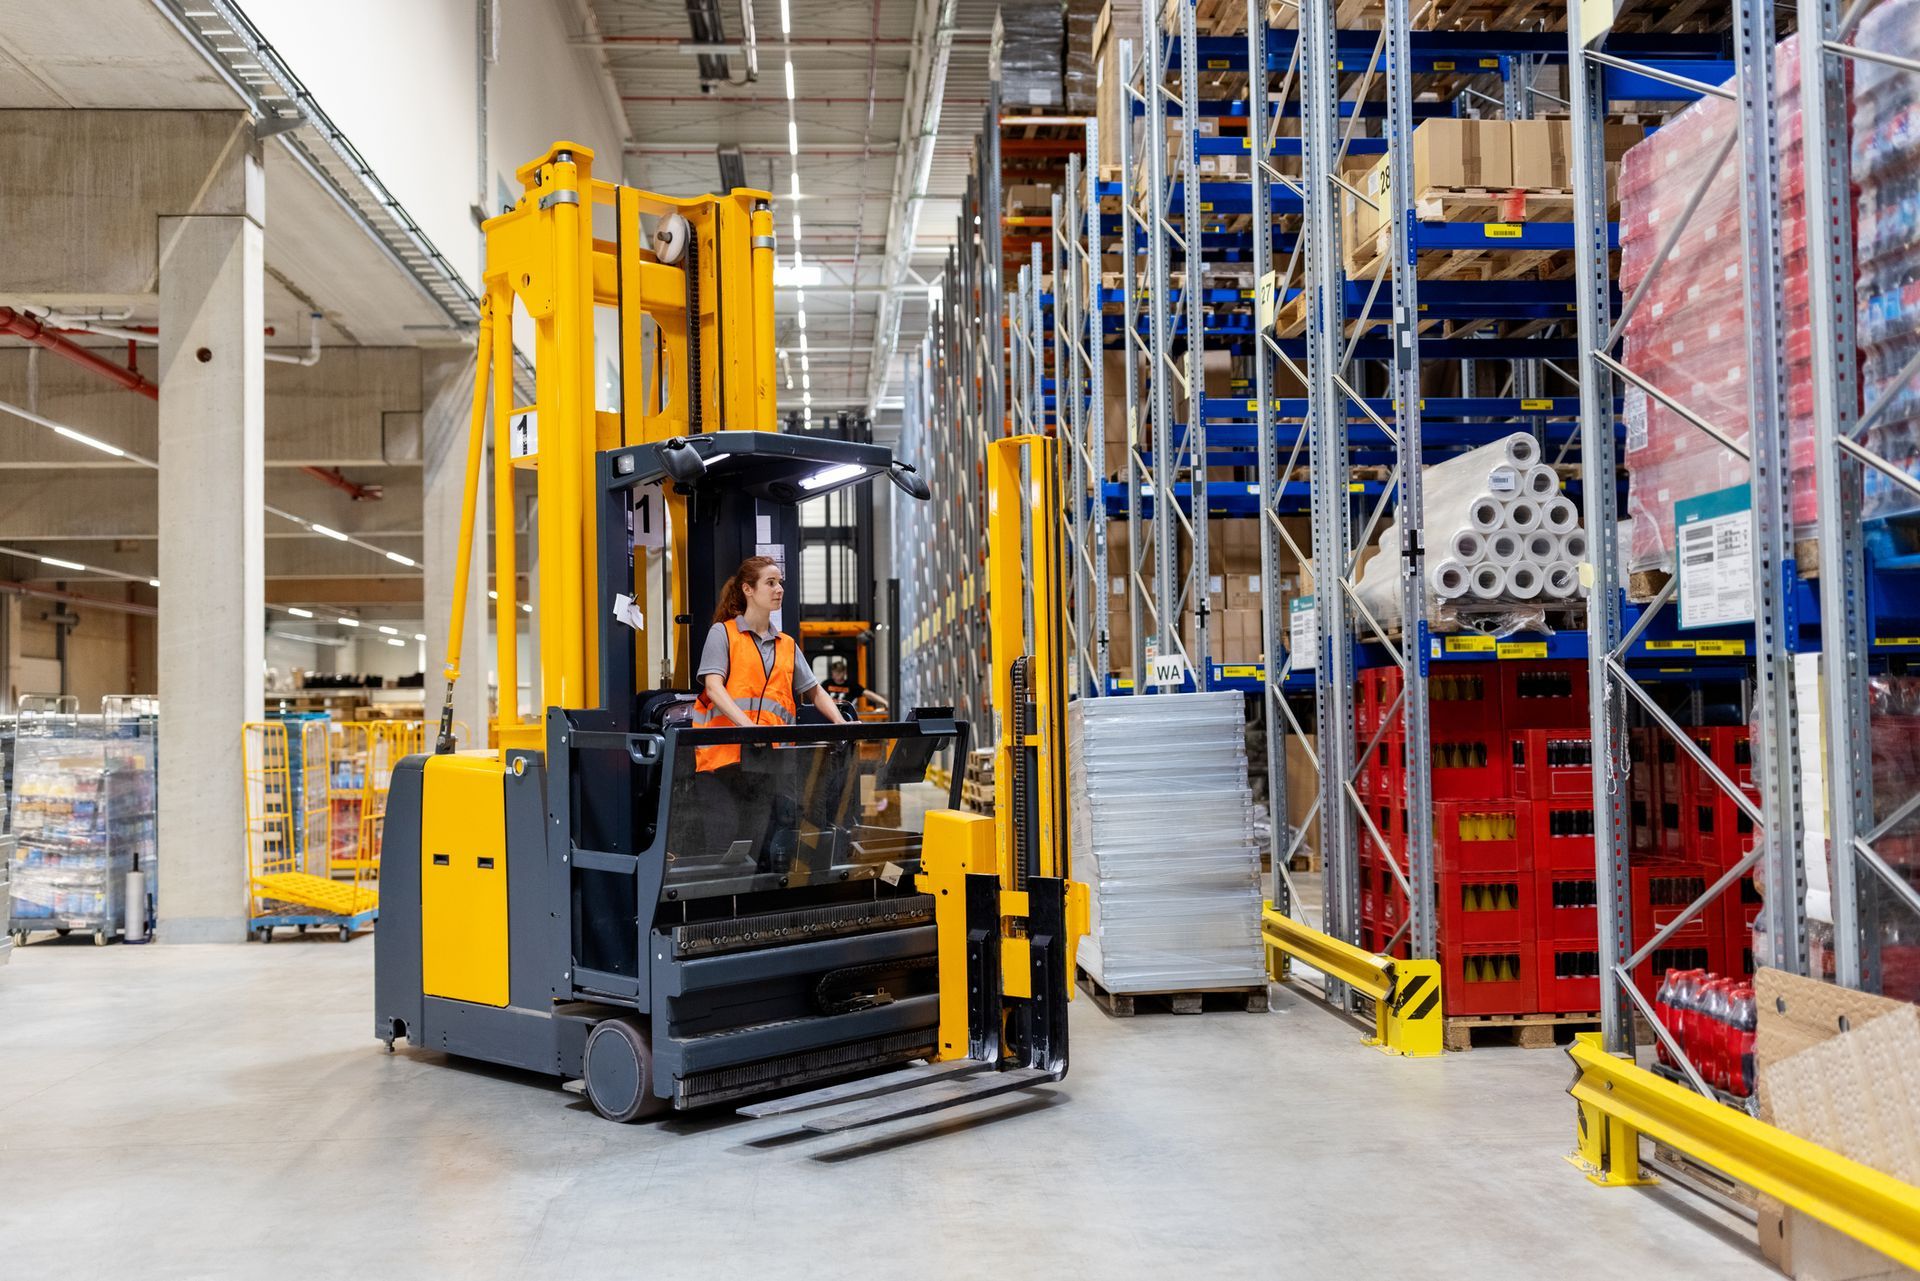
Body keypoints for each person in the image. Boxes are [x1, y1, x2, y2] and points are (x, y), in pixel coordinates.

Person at [688, 557, 845, 869]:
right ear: (748, 589)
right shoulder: (724, 634)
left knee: (760, 844)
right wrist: (748, 727)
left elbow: (814, 690)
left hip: (768, 763)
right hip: (724, 762)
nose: (779, 589)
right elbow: (714, 687)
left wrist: (841, 723)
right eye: (770, 583)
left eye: (780, 583)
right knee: (727, 844)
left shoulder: (786, 644)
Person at [822, 656, 889, 716]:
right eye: (835, 671)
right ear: (832, 672)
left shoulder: (851, 685)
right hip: (829, 713)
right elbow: (819, 696)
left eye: (840, 671)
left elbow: (867, 693)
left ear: (845, 672)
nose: (837, 673)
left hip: (847, 714)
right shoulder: (826, 684)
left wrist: (885, 702)